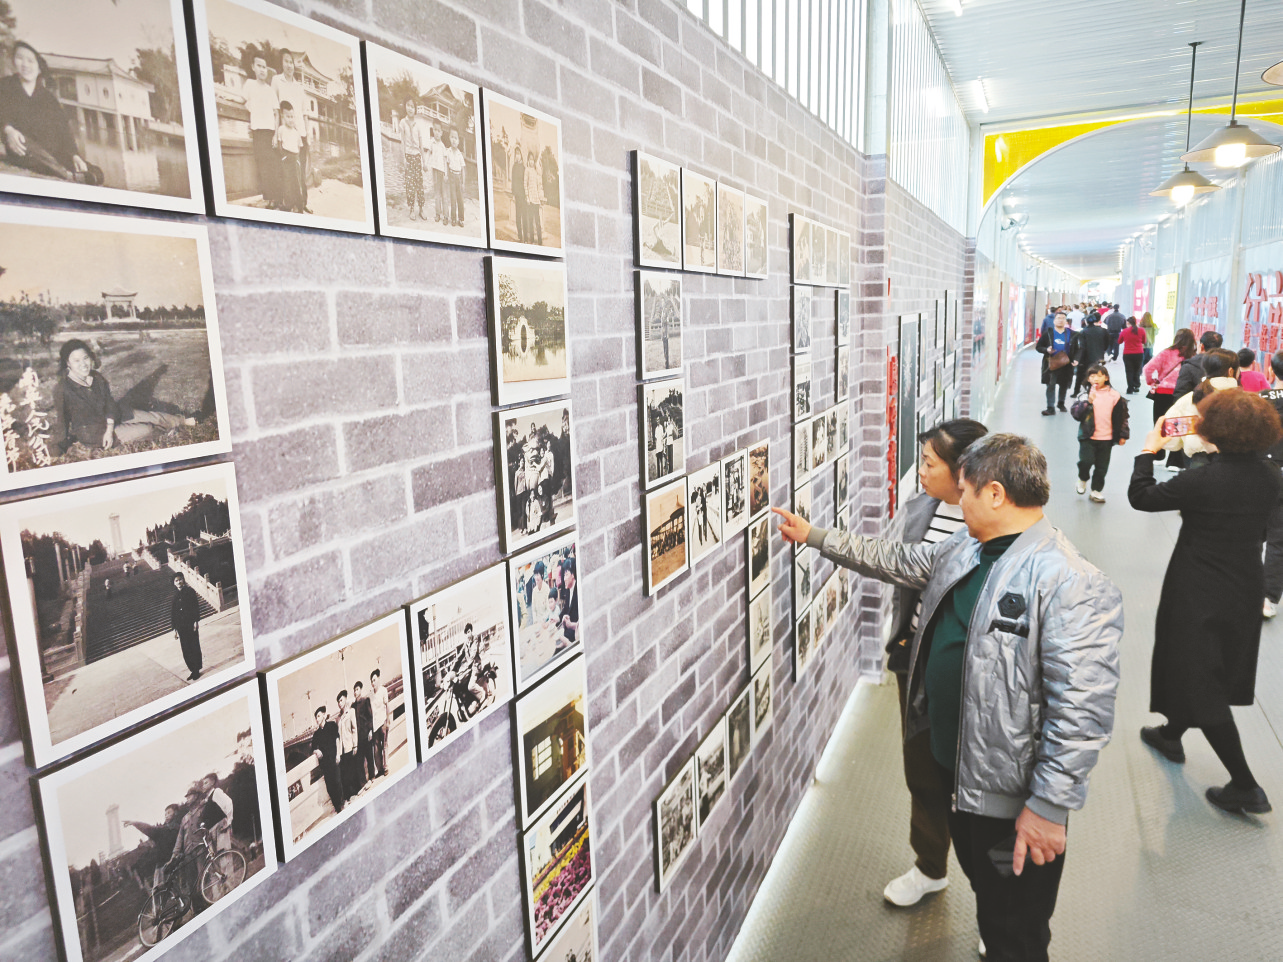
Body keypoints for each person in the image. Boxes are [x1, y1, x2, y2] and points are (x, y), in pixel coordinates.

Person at [773, 434, 1122, 962]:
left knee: (1017, 935)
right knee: (990, 899)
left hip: (1012, 802)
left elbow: (1082, 713)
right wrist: (815, 536)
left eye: (965, 490)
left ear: (996, 494)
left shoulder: (1071, 582)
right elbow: (894, 559)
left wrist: (1049, 808)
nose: (957, 500)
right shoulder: (965, 547)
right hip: (958, 776)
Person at [1130, 390, 1283, 814]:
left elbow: (1142, 497)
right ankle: (1171, 735)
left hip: (1196, 585)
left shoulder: (1201, 480)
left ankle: (1245, 785)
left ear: (1215, 430)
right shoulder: (1272, 476)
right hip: (1245, 584)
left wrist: (1148, 450)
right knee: (1206, 665)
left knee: (1198, 675)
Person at [878, 419, 987, 909]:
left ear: (963, 470)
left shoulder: (991, 524)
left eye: (928, 463)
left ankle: (997, 906)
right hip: (918, 658)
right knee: (922, 770)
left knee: (980, 787)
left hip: (972, 670)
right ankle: (929, 867)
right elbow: (902, 570)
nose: (920, 471)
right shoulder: (922, 506)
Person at [49, 340, 195, 456]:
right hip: (96, 432)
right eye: (76, 361)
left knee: (151, 416)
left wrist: (110, 424)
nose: (83, 364)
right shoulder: (63, 389)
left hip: (112, 417)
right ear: (67, 363)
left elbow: (109, 403)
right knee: (147, 429)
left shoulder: (96, 377)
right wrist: (57, 450)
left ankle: (183, 421)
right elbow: (61, 422)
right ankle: (167, 431)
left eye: (85, 358)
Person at [0, 41, 95, 183]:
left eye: (30, 61)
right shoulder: (5, 85)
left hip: (52, 152)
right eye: (20, 58)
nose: (25, 65)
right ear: (14, 61)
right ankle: (66, 175)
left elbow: (64, 130)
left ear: (39, 68)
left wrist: (75, 155)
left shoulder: (48, 98)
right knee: (25, 144)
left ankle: (69, 171)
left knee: (94, 172)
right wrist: (8, 130)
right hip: (23, 149)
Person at [1159, 349, 1241, 469]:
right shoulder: (1246, 400)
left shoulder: (1190, 398)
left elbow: (1168, 438)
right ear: (1231, 371)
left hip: (1199, 464)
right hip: (1237, 465)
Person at [1075, 363, 1128, 502]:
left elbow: (1122, 417)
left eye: (1099, 376)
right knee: (1086, 461)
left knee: (1102, 466)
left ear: (1106, 378)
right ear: (1088, 379)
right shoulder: (1084, 395)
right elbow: (1076, 414)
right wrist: (1087, 402)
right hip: (1088, 436)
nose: (1095, 379)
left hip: (1107, 438)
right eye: (1092, 376)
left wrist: (1123, 435)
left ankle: (1096, 490)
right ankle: (1083, 478)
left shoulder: (1114, 396)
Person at [271, 51, 308, 211]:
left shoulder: (299, 87)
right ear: (282, 63)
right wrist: (275, 134)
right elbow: (274, 109)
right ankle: (288, 203)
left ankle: (302, 204)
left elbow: (305, 113)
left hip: (300, 134)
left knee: (300, 171)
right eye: (286, 61)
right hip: (285, 135)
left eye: (291, 62)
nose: (289, 65)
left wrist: (307, 134)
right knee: (286, 173)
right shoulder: (276, 81)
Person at [242, 55, 281, 209]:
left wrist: (275, 135)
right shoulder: (249, 85)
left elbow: (276, 113)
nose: (262, 70)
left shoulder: (270, 91)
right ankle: (269, 198)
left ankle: (275, 198)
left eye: (264, 67)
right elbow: (242, 100)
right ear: (253, 67)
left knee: (272, 166)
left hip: (269, 132)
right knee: (262, 166)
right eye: (259, 66)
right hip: (257, 132)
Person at [1036, 312, 1074, 415]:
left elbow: (1076, 348)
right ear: (1054, 321)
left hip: (1066, 364)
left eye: (1063, 318)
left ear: (1066, 321)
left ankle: (1061, 403)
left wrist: (1075, 359)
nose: (1060, 320)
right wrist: (1046, 350)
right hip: (1051, 364)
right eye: (1058, 318)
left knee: (1064, 385)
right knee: (1050, 385)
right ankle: (1050, 407)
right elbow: (1038, 347)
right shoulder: (1048, 334)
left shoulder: (1071, 334)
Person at [310, 704, 344, 814]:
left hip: (334, 759)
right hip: (325, 764)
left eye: (319, 716)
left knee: (337, 782)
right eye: (316, 717)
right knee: (330, 786)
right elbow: (312, 749)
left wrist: (338, 754)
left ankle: (341, 804)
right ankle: (337, 807)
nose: (317, 719)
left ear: (324, 716)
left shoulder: (332, 725)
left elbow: (337, 739)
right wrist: (316, 751)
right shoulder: (316, 734)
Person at [1172, 330, 1224, 399]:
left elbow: (1180, 394)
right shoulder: (1224, 366)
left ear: (1202, 346)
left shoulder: (1188, 366)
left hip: (1194, 404)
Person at [274, 101, 305, 214]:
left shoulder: (296, 132)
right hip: (286, 157)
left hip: (295, 158)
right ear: (283, 117)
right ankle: (288, 205)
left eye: (292, 117)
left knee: (296, 182)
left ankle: (299, 205)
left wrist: (296, 158)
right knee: (287, 182)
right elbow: (279, 144)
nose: (291, 119)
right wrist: (283, 157)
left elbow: (299, 146)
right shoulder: (281, 129)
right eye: (288, 117)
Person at [171, 574, 203, 682]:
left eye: (180, 579)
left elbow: (195, 607)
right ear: (174, 583)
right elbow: (173, 613)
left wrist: (196, 621)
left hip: (190, 624)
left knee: (194, 646)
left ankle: (196, 670)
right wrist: (175, 629)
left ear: (183, 580)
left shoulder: (190, 591)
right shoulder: (175, 596)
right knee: (185, 649)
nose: (179, 582)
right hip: (181, 627)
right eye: (176, 580)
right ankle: (192, 669)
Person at [398, 97, 425, 220]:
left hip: (417, 156)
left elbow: (421, 144)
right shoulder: (402, 123)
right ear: (405, 107)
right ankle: (412, 209)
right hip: (408, 156)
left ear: (415, 109)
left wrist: (424, 161)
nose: (410, 108)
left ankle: (421, 209)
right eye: (408, 105)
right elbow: (402, 142)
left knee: (419, 183)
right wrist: (404, 158)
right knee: (410, 184)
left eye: (412, 106)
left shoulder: (418, 125)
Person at [1070, 314, 1109, 395]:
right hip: (1098, 356)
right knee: (1095, 374)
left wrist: (1078, 358)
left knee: (1080, 375)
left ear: (1086, 322)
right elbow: (1107, 343)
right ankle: (1094, 390)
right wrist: (1102, 351)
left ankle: (1076, 391)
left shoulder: (1083, 332)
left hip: (1085, 358)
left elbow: (1082, 346)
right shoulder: (1103, 331)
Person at [336, 689, 361, 802]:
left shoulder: (351, 712)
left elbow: (354, 729)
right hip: (343, 749)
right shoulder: (338, 718)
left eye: (341, 700)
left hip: (350, 745)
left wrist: (355, 745)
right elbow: (338, 736)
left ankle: (355, 792)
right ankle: (349, 795)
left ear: (346, 699)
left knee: (353, 770)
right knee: (345, 773)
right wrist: (338, 752)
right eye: (338, 701)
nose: (339, 703)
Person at [200, 773, 234, 854]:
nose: (203, 786)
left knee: (224, 852)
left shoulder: (216, 792)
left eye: (206, 783)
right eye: (203, 784)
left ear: (212, 783)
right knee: (217, 855)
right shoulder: (207, 799)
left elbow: (228, 803)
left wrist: (229, 821)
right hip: (212, 830)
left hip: (220, 826)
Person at [352, 680, 374, 792]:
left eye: (357, 689)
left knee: (369, 756)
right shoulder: (353, 706)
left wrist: (370, 731)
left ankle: (372, 777)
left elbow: (370, 716)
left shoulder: (366, 701)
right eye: (354, 690)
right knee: (359, 761)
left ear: (360, 690)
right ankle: (363, 782)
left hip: (366, 733)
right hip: (358, 738)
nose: (355, 692)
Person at [369, 669, 389, 778]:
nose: (373, 683)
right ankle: (380, 769)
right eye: (371, 681)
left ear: (378, 679)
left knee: (384, 746)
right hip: (375, 725)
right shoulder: (370, 694)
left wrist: (388, 720)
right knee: (376, 750)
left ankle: (385, 767)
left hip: (383, 722)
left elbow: (387, 705)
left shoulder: (383, 690)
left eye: (374, 680)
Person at [1117, 317, 1146, 393]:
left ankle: (1130, 388)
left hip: (1127, 354)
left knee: (1129, 371)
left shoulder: (1124, 331)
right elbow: (1144, 341)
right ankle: (1136, 386)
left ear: (1128, 323)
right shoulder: (1142, 330)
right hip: (1139, 353)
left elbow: (1119, 341)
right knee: (1137, 370)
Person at [428, 123, 448, 224]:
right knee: (436, 194)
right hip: (434, 170)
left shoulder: (442, 146)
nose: (437, 132)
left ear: (441, 133)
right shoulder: (431, 142)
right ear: (433, 131)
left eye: (439, 131)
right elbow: (428, 152)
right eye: (435, 130)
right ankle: (437, 214)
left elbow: (445, 161)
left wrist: (446, 173)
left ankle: (446, 216)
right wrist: (425, 163)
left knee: (444, 195)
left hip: (442, 171)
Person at [446, 128, 466, 227]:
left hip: (458, 177)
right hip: (451, 177)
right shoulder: (448, 151)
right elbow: (446, 165)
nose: (454, 140)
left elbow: (463, 169)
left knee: (460, 200)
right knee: (453, 198)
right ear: (449, 138)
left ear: (458, 141)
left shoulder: (460, 154)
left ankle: (461, 219)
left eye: (456, 138)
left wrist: (463, 183)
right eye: (452, 137)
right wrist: (446, 175)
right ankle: (453, 218)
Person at [524, 148, 544, 244]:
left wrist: (540, 198)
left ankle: (540, 240)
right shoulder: (527, 170)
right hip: (530, 199)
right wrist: (527, 197)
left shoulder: (536, 171)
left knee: (537, 221)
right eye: (530, 159)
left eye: (532, 159)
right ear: (528, 160)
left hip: (536, 199)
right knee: (530, 220)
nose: (531, 161)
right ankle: (531, 240)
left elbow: (539, 185)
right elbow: (525, 184)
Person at [558, 559, 579, 647]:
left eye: (566, 575)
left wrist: (569, 624)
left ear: (573, 574)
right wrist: (557, 619)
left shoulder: (578, 591)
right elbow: (566, 609)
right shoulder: (568, 589)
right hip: (568, 629)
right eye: (564, 575)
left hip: (575, 632)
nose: (564, 579)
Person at [510, 146, 527, 243]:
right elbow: (513, 181)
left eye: (518, 154)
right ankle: (520, 236)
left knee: (524, 216)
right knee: (518, 216)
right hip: (517, 195)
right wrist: (513, 194)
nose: (517, 156)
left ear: (521, 155)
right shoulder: (514, 167)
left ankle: (525, 237)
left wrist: (526, 195)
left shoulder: (524, 168)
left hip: (523, 195)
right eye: (516, 154)